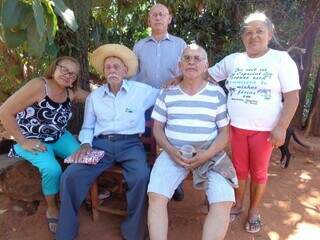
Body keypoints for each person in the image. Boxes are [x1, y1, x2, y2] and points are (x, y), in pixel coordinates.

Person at [208, 12, 300, 233]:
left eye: (259, 31)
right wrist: (181, 78)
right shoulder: (233, 60)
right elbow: (207, 76)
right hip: (236, 128)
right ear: (242, 38)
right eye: (248, 32)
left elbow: (292, 96)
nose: (253, 36)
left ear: (269, 34)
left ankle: (254, 211)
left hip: (265, 131)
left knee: (258, 172)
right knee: (239, 169)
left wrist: (281, 127)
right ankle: (238, 205)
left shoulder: (280, 59)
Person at [55, 44, 159, 240]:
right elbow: (87, 127)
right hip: (100, 145)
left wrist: (178, 80)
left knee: (141, 176)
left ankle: (133, 232)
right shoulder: (94, 97)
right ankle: (66, 231)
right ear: (103, 72)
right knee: (70, 175)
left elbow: (166, 94)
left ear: (125, 71)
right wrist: (85, 144)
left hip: (131, 145)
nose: (112, 70)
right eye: (108, 67)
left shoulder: (142, 91)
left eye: (116, 66)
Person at [147, 44, 238, 240]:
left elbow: (224, 132)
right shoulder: (167, 92)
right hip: (173, 153)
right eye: (187, 58)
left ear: (206, 66)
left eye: (197, 59)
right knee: (155, 197)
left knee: (223, 201)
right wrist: (170, 151)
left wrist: (207, 154)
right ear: (180, 64)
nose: (191, 61)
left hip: (210, 154)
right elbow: (157, 128)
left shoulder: (217, 93)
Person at [0, 56, 88, 233]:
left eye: (72, 74)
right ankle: (52, 207)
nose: (67, 75)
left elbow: (97, 97)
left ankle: (78, 194)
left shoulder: (71, 92)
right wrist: (23, 141)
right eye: (64, 69)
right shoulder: (39, 85)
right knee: (52, 169)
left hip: (59, 136)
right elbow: (4, 111)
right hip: (32, 138)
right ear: (54, 67)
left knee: (85, 158)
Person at [132, 3, 187, 201]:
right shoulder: (139, 45)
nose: (157, 18)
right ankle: (148, 180)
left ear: (169, 19)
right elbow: (132, 75)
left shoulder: (180, 45)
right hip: (146, 102)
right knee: (146, 141)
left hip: (172, 101)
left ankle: (177, 183)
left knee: (173, 140)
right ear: (149, 19)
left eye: (162, 14)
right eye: (154, 15)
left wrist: (179, 79)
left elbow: (188, 71)